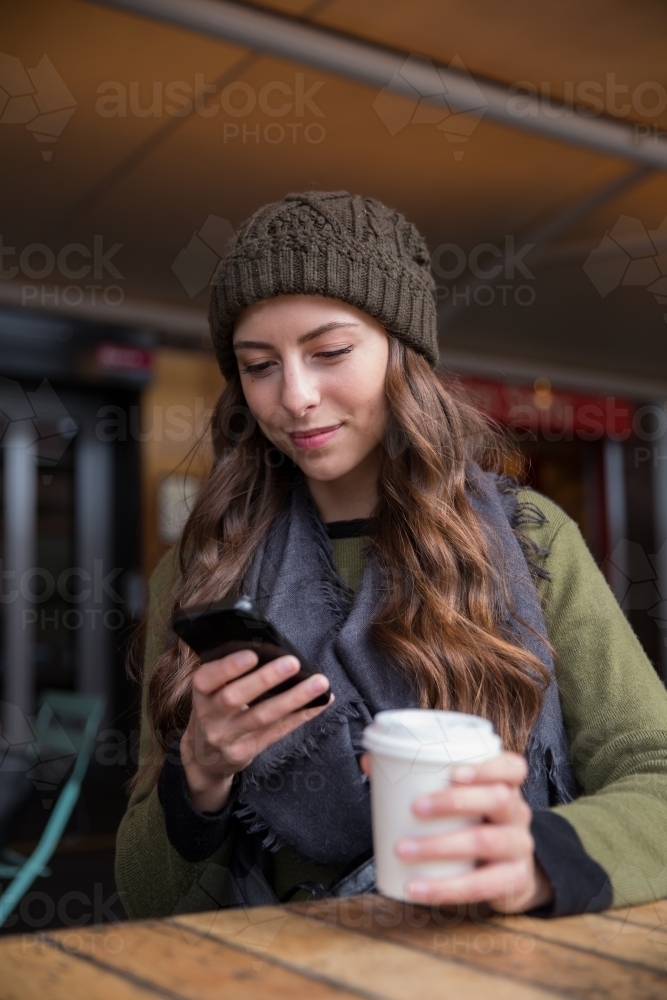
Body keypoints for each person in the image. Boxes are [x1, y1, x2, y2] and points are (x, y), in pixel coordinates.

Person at [116, 190, 667, 920]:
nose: (296, 396)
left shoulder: (532, 540)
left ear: (403, 353)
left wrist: (538, 856)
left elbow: (654, 772)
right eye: (259, 366)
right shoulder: (201, 574)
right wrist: (200, 778)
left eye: (329, 352)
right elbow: (143, 893)